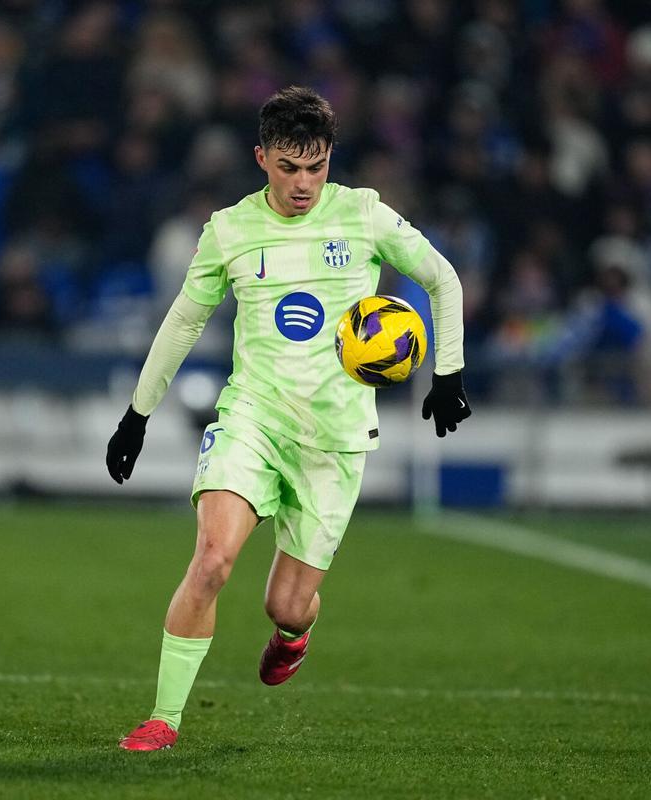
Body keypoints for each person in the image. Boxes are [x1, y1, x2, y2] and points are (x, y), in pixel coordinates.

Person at [106, 86, 471, 752]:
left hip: (334, 438)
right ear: (261, 159)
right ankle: (164, 717)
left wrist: (447, 373)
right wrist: (137, 414)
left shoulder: (362, 215)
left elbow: (443, 278)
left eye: (316, 166)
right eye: (288, 167)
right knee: (213, 559)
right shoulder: (229, 230)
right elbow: (185, 319)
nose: (303, 183)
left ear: (330, 158)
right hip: (253, 416)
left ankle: (294, 632)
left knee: (285, 604)